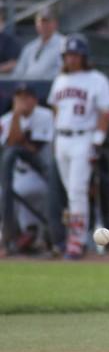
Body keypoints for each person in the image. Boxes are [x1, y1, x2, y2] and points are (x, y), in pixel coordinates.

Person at [47, 35, 109, 259]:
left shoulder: (96, 79)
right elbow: (56, 110)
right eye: (68, 55)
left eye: (75, 55)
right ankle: (78, 237)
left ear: (84, 56)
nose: (72, 59)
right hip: (62, 139)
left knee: (77, 190)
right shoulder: (60, 80)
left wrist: (98, 140)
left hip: (83, 138)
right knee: (71, 191)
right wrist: (55, 139)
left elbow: (106, 112)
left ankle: (76, 241)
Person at [0, 84, 53, 254]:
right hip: (16, 174)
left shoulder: (45, 115)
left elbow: (31, 149)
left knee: (21, 191)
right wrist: (16, 115)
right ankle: (11, 238)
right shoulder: (6, 119)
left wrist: (16, 118)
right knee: (7, 191)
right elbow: (9, 144)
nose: (22, 100)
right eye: (19, 97)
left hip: (41, 174)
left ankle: (30, 237)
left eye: (27, 96)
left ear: (35, 100)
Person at [11, 8, 64, 80]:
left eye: (48, 22)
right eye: (42, 22)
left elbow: (64, 71)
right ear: (36, 24)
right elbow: (18, 74)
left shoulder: (64, 44)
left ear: (55, 23)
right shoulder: (29, 47)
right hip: (28, 88)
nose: (45, 25)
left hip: (52, 87)